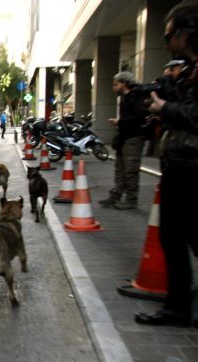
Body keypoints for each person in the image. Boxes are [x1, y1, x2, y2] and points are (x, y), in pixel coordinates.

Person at [135, 0, 198, 328]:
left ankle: (179, 306)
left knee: (180, 236)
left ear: (187, 33)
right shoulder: (189, 70)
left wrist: (165, 109)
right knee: (173, 237)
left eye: (169, 35)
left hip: (191, 168)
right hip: (179, 166)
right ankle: (177, 305)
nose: (167, 42)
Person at [98, 71, 148, 210]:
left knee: (130, 170)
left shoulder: (136, 97)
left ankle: (131, 199)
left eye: (116, 84)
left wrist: (119, 121)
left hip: (133, 137)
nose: (113, 88)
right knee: (120, 169)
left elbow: (138, 118)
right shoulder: (125, 98)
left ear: (123, 83)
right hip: (124, 137)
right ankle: (116, 195)